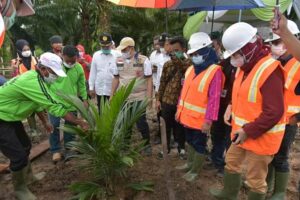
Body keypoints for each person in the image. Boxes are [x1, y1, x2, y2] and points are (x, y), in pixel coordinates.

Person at [209, 22, 285, 200]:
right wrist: (230, 106)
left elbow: (274, 112)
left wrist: (248, 131)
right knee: (231, 162)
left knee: (255, 179)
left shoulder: (269, 70)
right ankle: (229, 194)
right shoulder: (244, 68)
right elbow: (242, 94)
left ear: (249, 48)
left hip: (261, 137)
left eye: (236, 54)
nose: (234, 59)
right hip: (241, 132)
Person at [0, 52, 87, 200]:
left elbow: (37, 103)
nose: (56, 76)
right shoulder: (33, 82)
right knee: (18, 156)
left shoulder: (38, 79)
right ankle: (19, 189)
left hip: (9, 116)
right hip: (1, 118)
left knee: (26, 146)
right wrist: (80, 122)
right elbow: (55, 107)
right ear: (43, 69)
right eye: (54, 73)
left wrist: (45, 122)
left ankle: (29, 177)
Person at [175, 32, 223, 182]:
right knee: (190, 141)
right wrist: (178, 110)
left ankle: (195, 170)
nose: (195, 57)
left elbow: (214, 99)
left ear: (206, 51)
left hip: (200, 120)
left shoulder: (215, 71)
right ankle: (189, 164)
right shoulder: (190, 69)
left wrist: (209, 120)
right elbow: (183, 93)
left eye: (197, 53)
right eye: (192, 54)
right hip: (186, 116)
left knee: (199, 144)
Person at [264, 20, 300, 200]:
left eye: (277, 42)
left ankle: (279, 192)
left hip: (289, 120)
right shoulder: (275, 63)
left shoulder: (298, 64)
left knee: (281, 157)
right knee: (269, 153)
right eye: (273, 43)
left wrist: (298, 117)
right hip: (273, 118)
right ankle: (267, 185)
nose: (273, 46)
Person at [111, 37, 153, 155]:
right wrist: (112, 95)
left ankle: (146, 144)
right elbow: (116, 78)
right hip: (124, 96)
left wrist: (149, 98)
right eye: (122, 50)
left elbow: (149, 79)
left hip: (139, 96)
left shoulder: (142, 60)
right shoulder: (119, 61)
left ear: (131, 48)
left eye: (125, 50)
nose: (123, 52)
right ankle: (125, 145)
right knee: (125, 121)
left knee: (141, 122)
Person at [48, 45, 88, 162]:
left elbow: (81, 85)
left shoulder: (79, 68)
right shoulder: (55, 67)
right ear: (62, 56)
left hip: (72, 101)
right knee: (54, 125)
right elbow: (48, 83)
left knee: (70, 126)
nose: (70, 63)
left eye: (73, 61)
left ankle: (69, 148)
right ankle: (55, 150)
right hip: (55, 101)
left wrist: (84, 99)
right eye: (68, 61)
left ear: (76, 57)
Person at [156, 36, 190, 159]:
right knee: (166, 125)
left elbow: (182, 67)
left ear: (184, 50)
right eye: (172, 50)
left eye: (177, 50)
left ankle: (181, 148)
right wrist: (158, 99)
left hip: (182, 102)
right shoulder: (167, 65)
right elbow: (162, 83)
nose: (174, 52)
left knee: (180, 127)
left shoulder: (190, 64)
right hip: (167, 100)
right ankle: (166, 148)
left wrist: (175, 57)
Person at [207, 57, 235, 177]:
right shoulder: (223, 64)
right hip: (220, 105)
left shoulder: (244, 65)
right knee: (216, 134)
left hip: (232, 107)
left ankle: (226, 166)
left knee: (229, 138)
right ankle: (216, 159)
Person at [11, 39, 38, 137]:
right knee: (29, 112)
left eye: (28, 49)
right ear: (18, 50)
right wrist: (14, 68)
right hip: (24, 90)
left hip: (36, 87)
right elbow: (14, 77)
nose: (27, 51)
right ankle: (33, 131)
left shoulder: (34, 59)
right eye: (24, 50)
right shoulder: (15, 62)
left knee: (40, 108)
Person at [89, 33, 118, 113]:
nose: (105, 48)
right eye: (103, 46)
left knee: (113, 112)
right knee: (101, 111)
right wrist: (91, 88)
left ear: (111, 44)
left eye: (107, 46)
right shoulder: (96, 55)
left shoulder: (117, 55)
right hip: (100, 89)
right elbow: (93, 72)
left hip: (113, 90)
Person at [150, 33, 171, 144]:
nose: (160, 47)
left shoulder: (176, 56)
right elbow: (157, 74)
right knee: (160, 112)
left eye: (163, 44)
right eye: (159, 44)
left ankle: (171, 137)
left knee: (169, 114)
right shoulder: (157, 55)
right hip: (159, 88)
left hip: (172, 91)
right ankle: (160, 134)